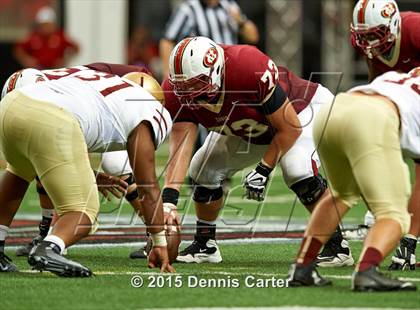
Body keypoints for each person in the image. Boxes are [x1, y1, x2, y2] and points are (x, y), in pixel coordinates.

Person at [159, 36, 353, 267]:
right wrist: (168, 201)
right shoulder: (175, 90)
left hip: (302, 109)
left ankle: (337, 247)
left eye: (196, 85)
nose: (189, 95)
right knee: (202, 169)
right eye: (183, 87)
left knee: (297, 169)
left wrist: (263, 169)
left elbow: (289, 128)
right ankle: (205, 245)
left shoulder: (247, 66)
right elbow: (181, 146)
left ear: (216, 70)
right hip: (252, 124)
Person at [0, 68, 174, 276]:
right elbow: (147, 185)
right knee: (84, 211)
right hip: (51, 119)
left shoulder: (100, 82)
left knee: (19, 172)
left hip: (11, 104)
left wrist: (91, 174)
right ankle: (49, 248)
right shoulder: (151, 110)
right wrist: (159, 241)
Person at [287, 68, 419, 292]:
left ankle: (302, 267)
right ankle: (366, 271)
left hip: (335, 109)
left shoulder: (402, 77)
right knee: (394, 215)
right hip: (374, 118)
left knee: (341, 194)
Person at [351, 0, 420, 270]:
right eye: (363, 36)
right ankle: (382, 216)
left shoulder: (414, 29)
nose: (369, 43)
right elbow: (376, 78)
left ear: (393, 26)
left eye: (374, 36)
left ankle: (410, 238)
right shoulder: (370, 40)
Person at [159, 0, 259, 79]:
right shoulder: (188, 9)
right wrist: (168, 74)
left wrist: (240, 21)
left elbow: (253, 37)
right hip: (202, 74)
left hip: (230, 71)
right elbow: (167, 41)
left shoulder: (229, 5)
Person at [14, 6, 79, 69]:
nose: (46, 28)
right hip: (38, 71)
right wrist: (28, 60)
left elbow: (75, 47)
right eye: (43, 25)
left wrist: (65, 60)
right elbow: (19, 50)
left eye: (48, 25)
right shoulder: (34, 36)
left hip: (55, 71)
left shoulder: (59, 36)